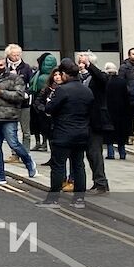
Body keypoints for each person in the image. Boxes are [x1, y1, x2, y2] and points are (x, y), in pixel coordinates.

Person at [38, 59, 93, 209]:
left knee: (58, 166)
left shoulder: (62, 90)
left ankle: (53, 199)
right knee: (78, 165)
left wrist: (48, 105)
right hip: (82, 133)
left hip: (63, 133)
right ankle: (79, 199)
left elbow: (50, 108)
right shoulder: (86, 90)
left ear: (64, 74)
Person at [0, 55, 38, 184]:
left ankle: (29, 162)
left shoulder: (14, 78)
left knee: (13, 143)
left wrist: (0, 93)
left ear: (5, 65)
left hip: (8, 116)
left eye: (0, 65)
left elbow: (20, 95)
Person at [76, 52, 111, 194]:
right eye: (79, 61)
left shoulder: (98, 76)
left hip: (95, 120)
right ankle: (96, 182)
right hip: (81, 119)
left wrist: (90, 66)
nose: (81, 64)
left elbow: (103, 80)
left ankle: (101, 183)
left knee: (95, 152)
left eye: (83, 62)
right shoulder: (78, 77)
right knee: (88, 154)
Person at [104, 62, 134, 162]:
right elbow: (127, 97)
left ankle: (110, 153)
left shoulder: (106, 82)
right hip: (122, 112)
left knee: (109, 135)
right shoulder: (122, 82)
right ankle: (122, 153)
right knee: (121, 135)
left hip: (109, 111)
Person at [5, 44, 34, 150]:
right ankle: (14, 154)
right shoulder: (5, 67)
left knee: (25, 131)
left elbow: (31, 84)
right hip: (9, 102)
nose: (16, 57)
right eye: (14, 55)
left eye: (18, 55)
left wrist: (26, 94)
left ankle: (25, 152)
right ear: (9, 55)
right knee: (12, 130)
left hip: (23, 103)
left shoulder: (26, 68)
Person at [29, 53, 57, 152]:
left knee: (40, 124)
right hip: (40, 103)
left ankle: (41, 143)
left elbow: (32, 87)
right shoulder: (40, 74)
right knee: (40, 124)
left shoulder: (41, 76)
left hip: (39, 102)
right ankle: (42, 143)